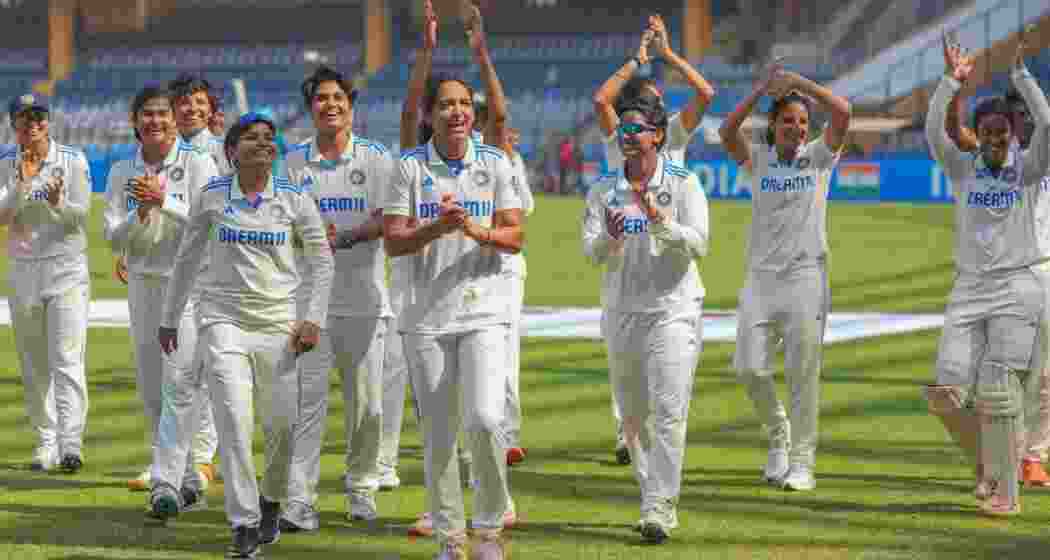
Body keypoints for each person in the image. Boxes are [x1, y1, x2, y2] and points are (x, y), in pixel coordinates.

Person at [158, 112, 334, 557]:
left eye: (269, 138)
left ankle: (271, 499)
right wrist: (170, 317)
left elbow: (322, 261)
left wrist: (312, 318)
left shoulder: (295, 199)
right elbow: (186, 259)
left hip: (279, 328)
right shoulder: (213, 196)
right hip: (223, 323)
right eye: (252, 138)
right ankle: (243, 523)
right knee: (233, 423)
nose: (263, 144)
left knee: (282, 428)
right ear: (232, 151)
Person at [384, 70, 524, 560]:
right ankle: (451, 539)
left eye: (464, 103)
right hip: (424, 316)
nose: (457, 112)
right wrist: (436, 227)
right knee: (439, 434)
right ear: (429, 114)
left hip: (484, 310)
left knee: (486, 420)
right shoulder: (408, 168)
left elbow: (515, 235)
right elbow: (394, 241)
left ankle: (487, 528)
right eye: (446, 104)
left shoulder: (496, 163)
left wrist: (474, 230)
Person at [923, 35, 1050, 517]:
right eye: (989, 132)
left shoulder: (1031, 170)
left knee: (999, 391)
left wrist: (1022, 79)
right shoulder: (963, 168)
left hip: (1019, 287)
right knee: (946, 393)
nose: (997, 140)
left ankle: (1006, 494)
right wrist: (949, 82)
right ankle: (990, 469)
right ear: (979, 134)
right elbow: (937, 130)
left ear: (1016, 136)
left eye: (1005, 133)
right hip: (969, 288)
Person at [718, 59, 851, 492]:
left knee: (802, 373)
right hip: (760, 278)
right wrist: (762, 90)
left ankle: (802, 463)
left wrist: (800, 83)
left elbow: (844, 112)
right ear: (773, 126)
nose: (797, 128)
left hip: (805, 278)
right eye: (788, 121)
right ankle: (778, 433)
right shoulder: (758, 160)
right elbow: (726, 130)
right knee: (748, 368)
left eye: (803, 121)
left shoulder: (818, 157)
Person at [582, 96, 708, 543]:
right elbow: (590, 250)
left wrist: (663, 223)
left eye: (636, 129)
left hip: (674, 310)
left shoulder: (684, 182)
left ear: (658, 135)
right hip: (622, 313)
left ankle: (659, 508)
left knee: (669, 412)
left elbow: (700, 243)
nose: (628, 136)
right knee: (633, 418)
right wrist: (610, 239)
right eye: (623, 130)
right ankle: (649, 492)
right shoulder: (602, 189)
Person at [593, 13, 714, 464]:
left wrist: (667, 55)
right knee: (622, 355)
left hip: (667, 244)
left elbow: (706, 93)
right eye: (653, 99)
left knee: (662, 363)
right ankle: (627, 432)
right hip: (622, 245)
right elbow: (600, 98)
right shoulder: (618, 137)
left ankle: (646, 441)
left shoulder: (674, 135)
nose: (661, 102)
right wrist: (637, 60)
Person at [280, 65, 395, 532]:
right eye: (321, 99)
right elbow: (276, 222)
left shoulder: (376, 159)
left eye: (338, 98)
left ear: (351, 106)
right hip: (309, 305)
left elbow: (391, 217)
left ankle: (362, 487)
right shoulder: (291, 164)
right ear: (310, 109)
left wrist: (344, 238)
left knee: (367, 406)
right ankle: (299, 500)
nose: (330, 105)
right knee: (306, 405)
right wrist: (308, 237)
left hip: (365, 300)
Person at [102, 85, 220, 505]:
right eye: (146, 113)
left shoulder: (199, 164)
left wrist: (164, 201)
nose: (155, 121)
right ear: (135, 121)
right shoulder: (121, 172)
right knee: (153, 387)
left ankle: (168, 483)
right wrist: (141, 213)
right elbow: (112, 237)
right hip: (143, 285)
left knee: (181, 382)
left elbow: (210, 222)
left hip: (187, 286)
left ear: (175, 120)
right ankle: (183, 478)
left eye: (162, 113)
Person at [0, 93, 92, 473]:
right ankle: (46, 441)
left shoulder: (71, 160)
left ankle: (71, 443)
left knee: (67, 359)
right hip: (23, 269)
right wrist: (21, 185)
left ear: (48, 121)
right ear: (13, 125)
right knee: (33, 361)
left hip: (66, 268)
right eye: (24, 119)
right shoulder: (5, 162)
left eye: (39, 117)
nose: (32, 125)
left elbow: (80, 217)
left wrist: (57, 204)